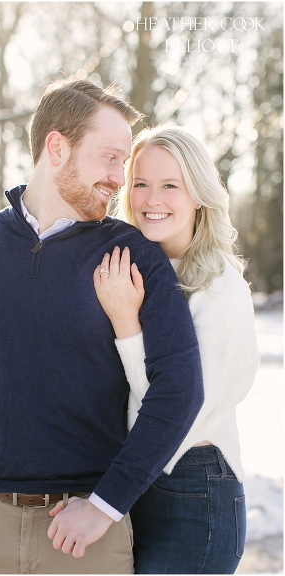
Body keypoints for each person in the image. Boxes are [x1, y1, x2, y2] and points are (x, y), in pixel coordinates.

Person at [0, 79, 204, 574]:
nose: (119, 178)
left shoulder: (134, 254)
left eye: (123, 162)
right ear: (56, 146)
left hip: (85, 538)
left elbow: (180, 389)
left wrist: (106, 505)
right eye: (110, 158)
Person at [92, 126, 259, 573]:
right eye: (141, 184)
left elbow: (176, 404)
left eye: (170, 185)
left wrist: (127, 323)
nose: (152, 200)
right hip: (136, 474)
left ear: (199, 194)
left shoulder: (220, 286)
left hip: (194, 484)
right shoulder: (132, 265)